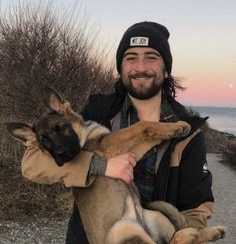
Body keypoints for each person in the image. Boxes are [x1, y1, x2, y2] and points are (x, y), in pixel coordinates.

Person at [21, 21, 214, 244]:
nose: (140, 67)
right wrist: (99, 166)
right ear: (121, 67)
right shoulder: (97, 111)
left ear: (166, 67)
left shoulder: (187, 129)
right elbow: (32, 164)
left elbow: (197, 208)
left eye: (151, 57)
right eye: (130, 58)